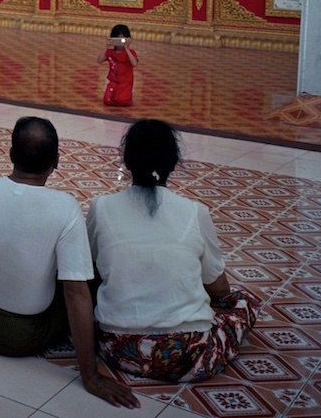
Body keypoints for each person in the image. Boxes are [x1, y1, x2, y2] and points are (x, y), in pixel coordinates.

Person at [0, 116, 138, 408]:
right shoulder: (64, 206)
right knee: (90, 281)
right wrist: (89, 375)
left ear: (11, 154)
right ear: (57, 160)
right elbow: (74, 291)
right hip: (18, 336)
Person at [87, 119, 259, 383]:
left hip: (117, 348)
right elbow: (219, 288)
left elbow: (91, 268)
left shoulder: (101, 207)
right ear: (172, 163)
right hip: (188, 356)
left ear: (128, 161)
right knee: (243, 301)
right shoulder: (195, 212)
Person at [97, 24, 138, 107]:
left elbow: (134, 63)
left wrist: (126, 47)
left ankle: (129, 97)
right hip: (113, 82)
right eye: (117, 39)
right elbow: (99, 60)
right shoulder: (110, 52)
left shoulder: (130, 52)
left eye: (122, 39)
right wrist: (106, 46)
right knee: (107, 101)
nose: (119, 42)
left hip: (125, 82)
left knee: (122, 100)